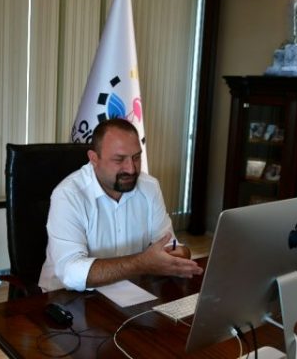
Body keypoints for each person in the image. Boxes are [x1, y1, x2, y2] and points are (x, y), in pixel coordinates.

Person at [38, 118, 203, 292]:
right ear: (94, 159)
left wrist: (177, 254)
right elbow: (70, 273)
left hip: (129, 290)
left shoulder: (149, 187)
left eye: (136, 157)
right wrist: (142, 263)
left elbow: (170, 244)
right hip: (66, 296)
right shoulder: (68, 195)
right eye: (119, 160)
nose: (131, 169)